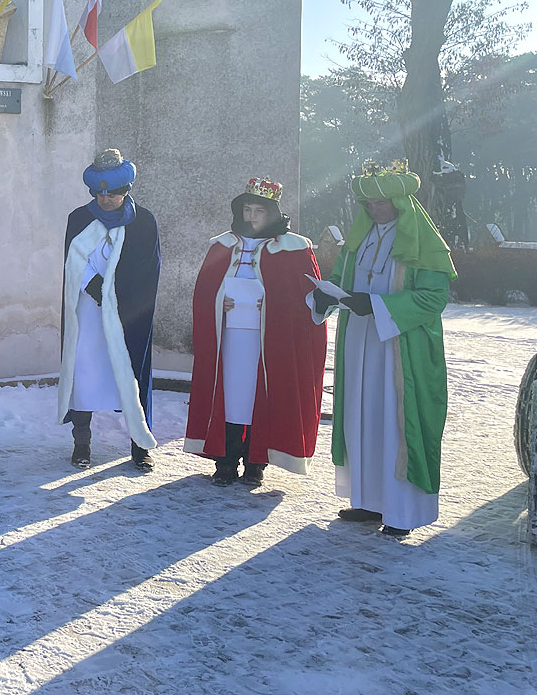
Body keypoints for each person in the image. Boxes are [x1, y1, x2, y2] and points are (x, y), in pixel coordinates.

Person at [311, 161, 455, 538]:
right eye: (369, 204)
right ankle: (369, 500)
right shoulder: (360, 240)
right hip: (359, 345)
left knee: (394, 424)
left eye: (382, 203)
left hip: (400, 350)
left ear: (400, 202)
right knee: (363, 418)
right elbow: (341, 280)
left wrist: (376, 306)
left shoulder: (423, 241)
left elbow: (433, 298)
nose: (375, 210)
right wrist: (325, 296)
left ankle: (402, 512)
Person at [185, 178, 327, 486]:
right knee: (230, 398)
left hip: (271, 342)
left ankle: (255, 462)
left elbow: (307, 298)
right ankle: (225, 460)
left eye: (258, 211)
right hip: (230, 339)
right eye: (247, 210)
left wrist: (274, 305)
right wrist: (220, 301)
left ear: (272, 213)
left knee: (262, 398)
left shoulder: (294, 249)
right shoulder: (223, 245)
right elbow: (204, 291)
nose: (251, 217)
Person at [58, 148, 159, 470]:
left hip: (127, 312)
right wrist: (93, 286)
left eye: (112, 194)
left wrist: (118, 295)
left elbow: (148, 269)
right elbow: (73, 261)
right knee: (84, 372)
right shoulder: (79, 218)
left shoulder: (143, 222)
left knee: (131, 374)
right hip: (88, 311)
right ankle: (82, 443)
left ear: (125, 190)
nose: (105, 200)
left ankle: (140, 445)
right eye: (99, 194)